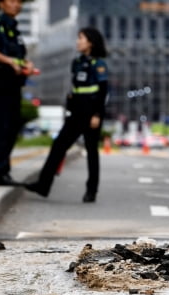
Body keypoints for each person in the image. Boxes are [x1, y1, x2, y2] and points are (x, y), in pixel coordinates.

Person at [25, 28, 108, 203]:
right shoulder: (76, 62)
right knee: (58, 146)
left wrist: (97, 115)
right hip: (76, 113)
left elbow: (103, 92)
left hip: (91, 113)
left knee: (92, 152)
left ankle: (91, 191)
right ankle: (43, 185)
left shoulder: (98, 64)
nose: (78, 42)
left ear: (90, 42)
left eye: (81, 38)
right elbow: (75, 88)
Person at [0, 0, 35, 186]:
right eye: (12, 1)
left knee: (13, 127)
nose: (16, 5)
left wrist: (26, 64)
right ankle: (0, 173)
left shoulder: (16, 32)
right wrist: (8, 61)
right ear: (2, 4)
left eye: (19, 2)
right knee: (2, 128)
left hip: (13, 85)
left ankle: (4, 170)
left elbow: (19, 57)